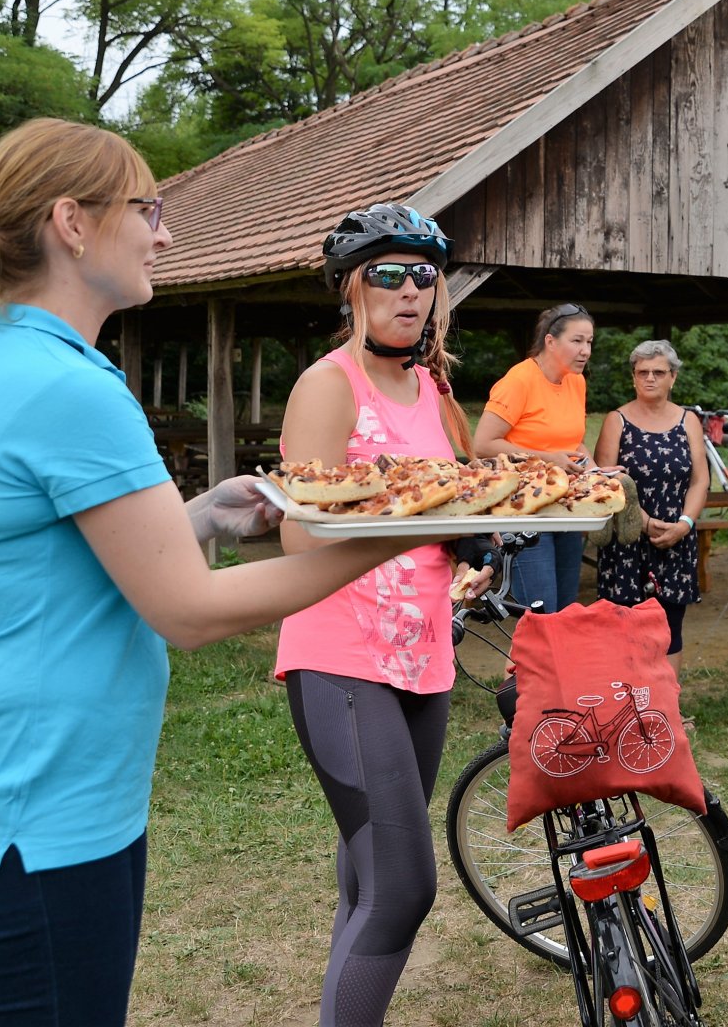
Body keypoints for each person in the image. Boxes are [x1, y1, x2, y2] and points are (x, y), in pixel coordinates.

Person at [0, 120, 465, 1026]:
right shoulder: (69, 388)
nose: (165, 233)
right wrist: (399, 533)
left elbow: (76, 558)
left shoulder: (23, 360)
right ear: (73, 224)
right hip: (28, 825)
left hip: (45, 808)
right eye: (149, 209)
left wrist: (199, 517)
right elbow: (191, 612)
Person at [273, 203, 478, 1026]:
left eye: (423, 276)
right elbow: (296, 532)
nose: (409, 292)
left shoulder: (432, 387)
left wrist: (474, 538)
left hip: (424, 655)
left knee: (366, 874)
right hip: (342, 654)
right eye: (388, 275)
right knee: (402, 887)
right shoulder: (330, 384)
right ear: (352, 289)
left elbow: (453, 507)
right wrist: (410, 513)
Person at [594, 339, 709, 672]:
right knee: (623, 626)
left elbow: (700, 480)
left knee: (670, 627)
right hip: (627, 539)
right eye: (642, 372)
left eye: (659, 372)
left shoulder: (689, 421)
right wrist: (642, 521)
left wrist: (685, 523)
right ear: (633, 377)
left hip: (676, 536)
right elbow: (606, 481)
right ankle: (627, 710)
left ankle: (666, 712)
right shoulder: (617, 420)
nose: (650, 378)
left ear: (673, 377)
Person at [474, 303, 595, 611]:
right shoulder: (519, 380)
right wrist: (547, 459)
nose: (585, 350)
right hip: (522, 509)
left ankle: (557, 661)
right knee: (542, 615)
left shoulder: (576, 381)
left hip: (565, 506)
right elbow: (483, 444)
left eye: (589, 342)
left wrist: (595, 469)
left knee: (567, 610)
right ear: (550, 341)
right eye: (577, 341)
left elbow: (572, 441)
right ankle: (532, 661)